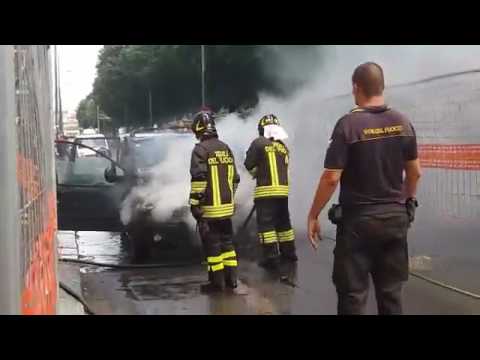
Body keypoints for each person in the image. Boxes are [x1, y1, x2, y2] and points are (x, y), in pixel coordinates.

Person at [307, 62, 421, 315]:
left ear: (356, 88)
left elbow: (331, 178)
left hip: (358, 224)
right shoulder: (402, 123)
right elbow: (415, 172)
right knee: (391, 294)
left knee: (353, 296)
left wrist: (314, 214)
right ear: (382, 86)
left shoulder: (348, 125)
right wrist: (408, 201)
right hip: (394, 220)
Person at [189, 110, 241, 292]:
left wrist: (195, 204)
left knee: (213, 248)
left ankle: (217, 283)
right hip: (227, 209)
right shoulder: (225, 147)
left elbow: (199, 180)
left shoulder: (200, 150)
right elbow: (235, 178)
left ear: (198, 129)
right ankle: (232, 280)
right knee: (228, 245)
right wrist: (229, 199)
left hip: (210, 210)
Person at [244, 114, 297, 270]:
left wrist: (256, 172)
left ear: (262, 129)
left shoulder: (259, 143)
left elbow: (248, 164)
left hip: (266, 192)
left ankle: (271, 258)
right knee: (284, 225)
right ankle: (289, 254)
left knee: (266, 227)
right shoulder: (283, 147)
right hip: (282, 191)